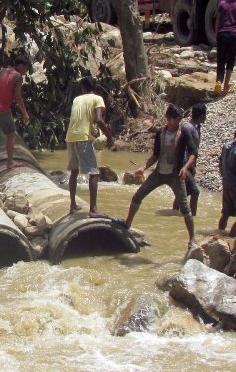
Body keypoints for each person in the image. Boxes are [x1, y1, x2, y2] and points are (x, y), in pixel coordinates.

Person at [124, 104, 197, 248]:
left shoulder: (184, 134)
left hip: (175, 175)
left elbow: (194, 153)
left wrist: (185, 167)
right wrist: (143, 167)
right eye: (174, 119)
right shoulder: (160, 134)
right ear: (167, 118)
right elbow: (156, 155)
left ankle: (192, 239)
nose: (177, 122)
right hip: (159, 172)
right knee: (137, 197)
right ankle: (127, 225)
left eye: (178, 119)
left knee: (184, 208)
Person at [66, 76, 114, 217]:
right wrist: (110, 137)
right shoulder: (97, 99)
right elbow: (98, 120)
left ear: (83, 88)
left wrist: (92, 137)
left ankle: (73, 205)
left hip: (70, 136)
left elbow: (80, 121)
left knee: (74, 172)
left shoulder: (77, 99)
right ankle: (93, 209)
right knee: (94, 173)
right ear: (95, 88)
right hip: (82, 138)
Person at [180, 103, 206, 216]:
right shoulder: (187, 127)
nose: (206, 118)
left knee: (183, 192)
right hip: (184, 164)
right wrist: (186, 167)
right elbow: (185, 149)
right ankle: (192, 216)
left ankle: (175, 213)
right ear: (201, 116)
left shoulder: (196, 127)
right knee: (195, 192)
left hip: (190, 164)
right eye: (205, 115)